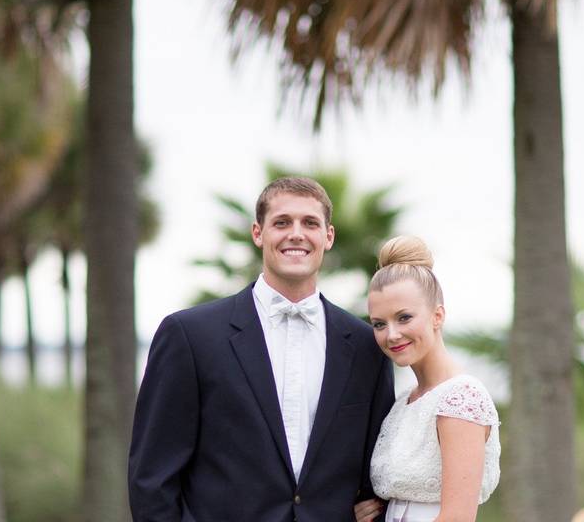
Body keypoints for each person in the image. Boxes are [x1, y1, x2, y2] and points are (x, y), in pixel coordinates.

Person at [128, 176, 395, 522]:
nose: (296, 233)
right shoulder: (190, 336)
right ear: (258, 233)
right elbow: (152, 478)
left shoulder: (365, 345)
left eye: (310, 223)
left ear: (328, 236)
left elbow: (378, 475)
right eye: (282, 222)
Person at [354, 236, 500, 522]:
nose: (392, 334)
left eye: (404, 317)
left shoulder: (462, 397)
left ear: (438, 315)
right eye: (379, 324)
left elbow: (456, 518)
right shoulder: (403, 403)